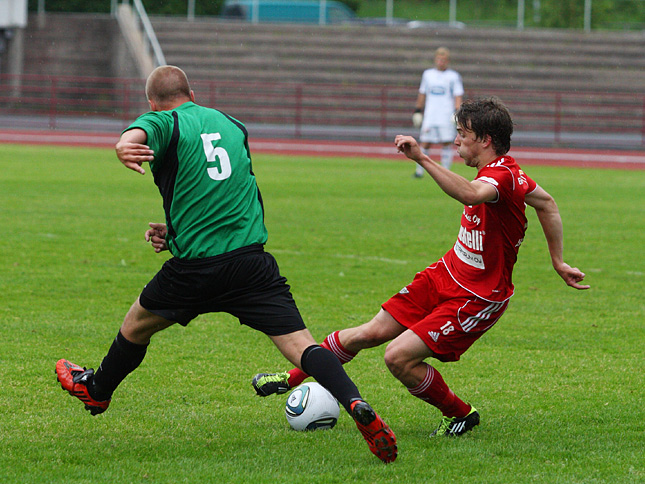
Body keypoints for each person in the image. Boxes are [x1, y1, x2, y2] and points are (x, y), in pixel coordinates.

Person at [55, 65, 397, 464]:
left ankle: (97, 389)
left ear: (152, 103)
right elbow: (227, 189)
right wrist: (176, 232)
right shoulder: (233, 125)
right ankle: (355, 402)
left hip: (195, 270)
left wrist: (122, 144)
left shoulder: (165, 121)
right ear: (193, 92)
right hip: (251, 263)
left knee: (135, 327)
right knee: (302, 346)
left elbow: (139, 134)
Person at [253, 97, 589, 438]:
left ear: (485, 140)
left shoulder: (501, 176)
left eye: (462, 134)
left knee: (398, 357)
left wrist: (423, 158)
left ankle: (461, 414)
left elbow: (472, 194)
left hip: (477, 296)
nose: (456, 140)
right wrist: (558, 260)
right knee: (370, 333)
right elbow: (547, 203)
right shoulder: (507, 174)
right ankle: (291, 378)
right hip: (445, 274)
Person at [412, 46, 464, 176]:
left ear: (448, 61)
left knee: (446, 142)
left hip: (446, 115)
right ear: (435, 60)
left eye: (444, 60)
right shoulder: (428, 74)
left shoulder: (453, 76)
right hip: (431, 115)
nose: (441, 62)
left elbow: (458, 95)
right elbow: (422, 93)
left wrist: (457, 112)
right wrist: (418, 110)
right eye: (439, 59)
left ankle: (446, 171)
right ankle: (419, 171)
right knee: (425, 142)